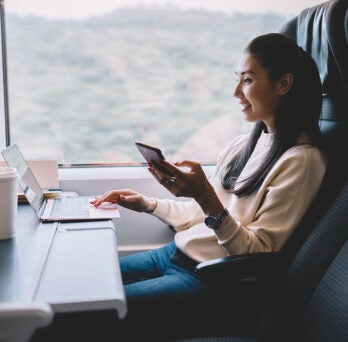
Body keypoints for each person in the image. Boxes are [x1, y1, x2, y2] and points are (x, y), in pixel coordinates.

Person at [90, 33, 327, 338]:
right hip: (175, 254)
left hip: (213, 278)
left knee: (95, 311)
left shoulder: (303, 161)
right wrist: (147, 204)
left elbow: (255, 254)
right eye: (237, 79)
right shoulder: (245, 144)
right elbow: (199, 214)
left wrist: (205, 197)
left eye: (248, 80)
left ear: (283, 84)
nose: (236, 92)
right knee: (85, 285)